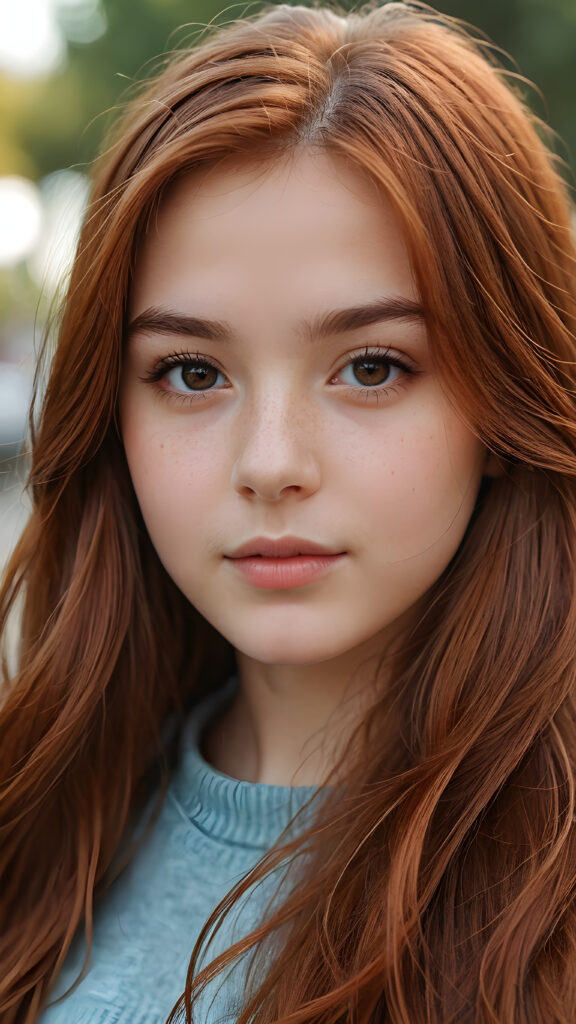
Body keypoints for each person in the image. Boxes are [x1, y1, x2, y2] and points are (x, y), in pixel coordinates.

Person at [2, 1, 575, 1021]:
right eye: (190, 371)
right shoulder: (43, 816)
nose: (270, 464)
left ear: (504, 404)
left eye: (370, 366)